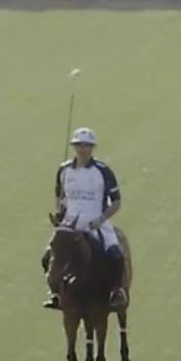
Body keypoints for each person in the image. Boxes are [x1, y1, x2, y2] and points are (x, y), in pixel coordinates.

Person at [43, 127, 126, 309]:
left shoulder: (103, 171)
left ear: (92, 148)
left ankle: (116, 292)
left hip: (96, 223)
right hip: (69, 224)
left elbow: (116, 202)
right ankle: (55, 293)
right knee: (47, 256)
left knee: (116, 255)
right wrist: (60, 213)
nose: (82, 149)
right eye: (79, 145)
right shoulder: (64, 169)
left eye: (86, 146)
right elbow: (59, 196)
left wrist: (101, 219)